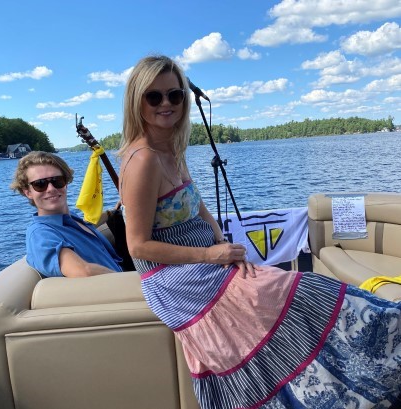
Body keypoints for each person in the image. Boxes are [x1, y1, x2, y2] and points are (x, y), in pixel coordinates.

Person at [118, 55, 401, 408]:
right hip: (174, 280)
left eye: (175, 96)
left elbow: (198, 206)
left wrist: (222, 244)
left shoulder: (170, 150)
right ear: (136, 100)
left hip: (207, 264)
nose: (166, 104)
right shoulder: (142, 160)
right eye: (154, 96)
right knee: (299, 289)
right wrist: (211, 255)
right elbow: (139, 246)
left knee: (298, 290)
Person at [11, 151, 123, 278]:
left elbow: (91, 222)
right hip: (118, 291)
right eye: (40, 184)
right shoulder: (41, 234)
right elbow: (82, 271)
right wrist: (132, 281)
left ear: (66, 183)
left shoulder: (72, 219)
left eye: (57, 181)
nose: (51, 189)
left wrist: (115, 211)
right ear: (28, 193)